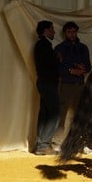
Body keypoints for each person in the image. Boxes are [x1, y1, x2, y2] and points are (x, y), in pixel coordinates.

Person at [52, 21, 92, 154]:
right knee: (63, 115)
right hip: (66, 85)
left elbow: (88, 66)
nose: (72, 34)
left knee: (80, 115)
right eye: (69, 32)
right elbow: (57, 68)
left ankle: (79, 144)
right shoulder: (59, 48)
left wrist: (82, 69)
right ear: (65, 33)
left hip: (80, 84)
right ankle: (57, 143)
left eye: (74, 31)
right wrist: (70, 70)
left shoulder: (83, 47)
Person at [33, 20, 60, 155]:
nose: (54, 31)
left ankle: (40, 144)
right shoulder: (45, 45)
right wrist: (58, 59)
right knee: (55, 113)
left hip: (43, 83)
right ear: (46, 30)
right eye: (52, 29)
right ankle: (43, 145)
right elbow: (50, 66)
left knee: (44, 114)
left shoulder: (40, 45)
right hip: (48, 83)